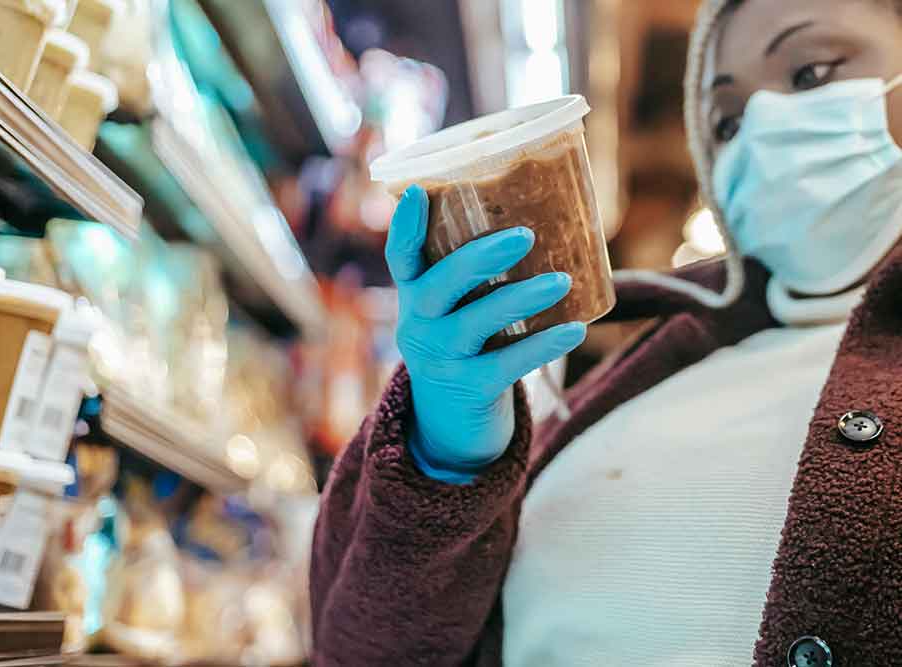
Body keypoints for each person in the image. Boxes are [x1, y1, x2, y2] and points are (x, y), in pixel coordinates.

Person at [309, 0, 902, 664]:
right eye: (727, 122)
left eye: (812, 72)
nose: (761, 128)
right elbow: (357, 649)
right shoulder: (650, 364)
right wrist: (444, 462)